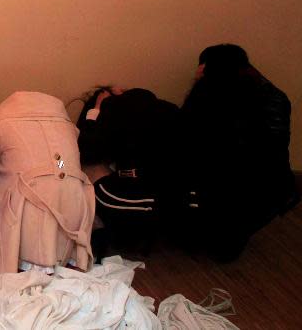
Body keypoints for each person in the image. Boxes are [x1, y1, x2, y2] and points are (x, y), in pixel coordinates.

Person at [179, 43, 299, 261]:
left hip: (250, 182)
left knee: (221, 243)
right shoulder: (252, 93)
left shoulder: (254, 99)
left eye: (202, 67)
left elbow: (266, 153)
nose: (197, 72)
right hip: (241, 180)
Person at [0, 91, 94, 283]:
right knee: (57, 173)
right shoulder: (66, 126)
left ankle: (23, 257)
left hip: (29, 199)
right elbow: (59, 163)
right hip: (72, 198)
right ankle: (62, 256)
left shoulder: (4, 125)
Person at [76, 87, 179, 257]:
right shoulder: (165, 108)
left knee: (87, 175)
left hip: (147, 197)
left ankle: (98, 232)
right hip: (181, 194)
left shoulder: (115, 110)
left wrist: (96, 109)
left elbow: (87, 149)